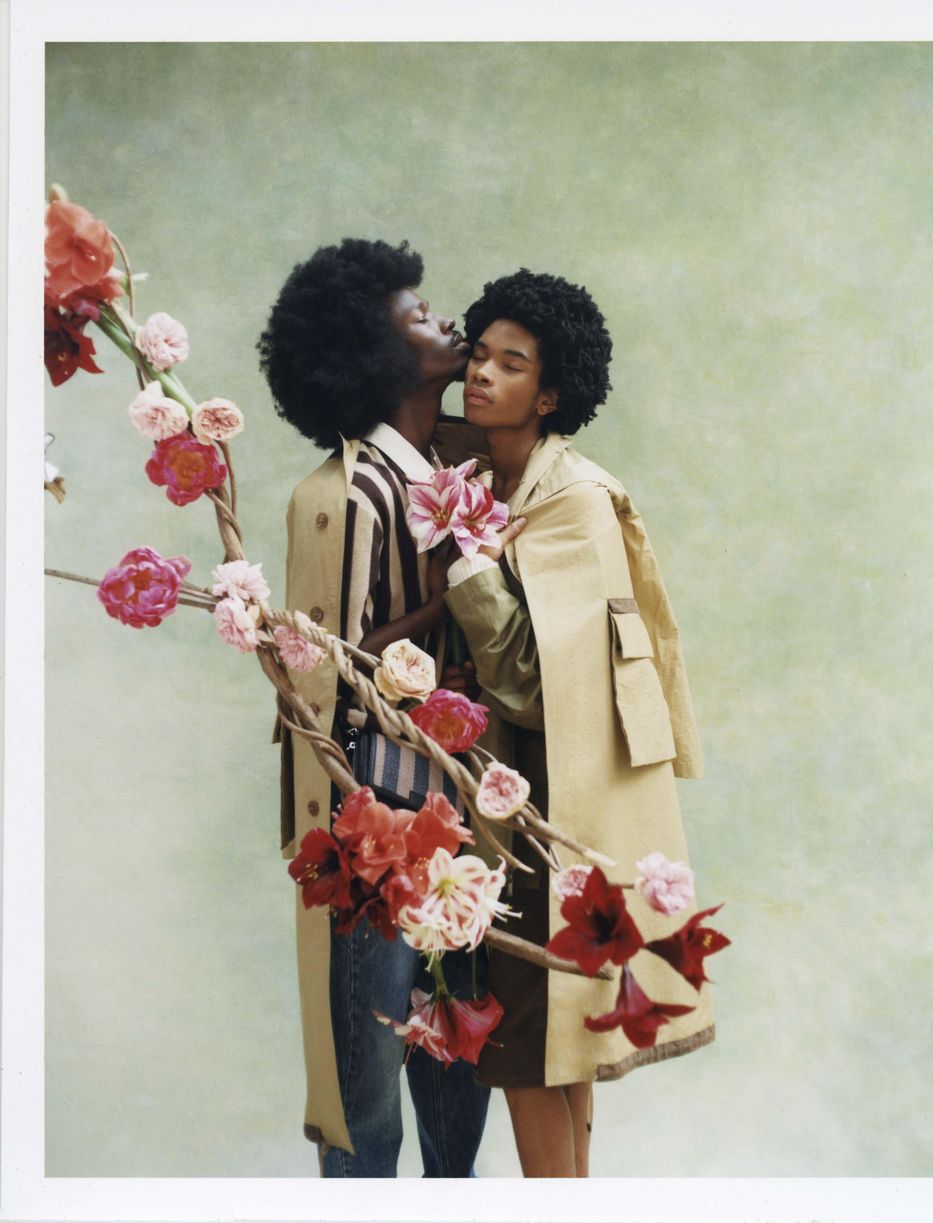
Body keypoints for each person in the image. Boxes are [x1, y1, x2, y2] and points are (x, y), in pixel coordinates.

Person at [442, 269, 715, 1178]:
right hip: (527, 796)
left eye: (509, 365)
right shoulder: (494, 476)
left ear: (549, 395)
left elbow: (525, 685)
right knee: (555, 1029)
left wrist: (466, 563)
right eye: (477, 354)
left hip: (557, 807)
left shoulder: (571, 500)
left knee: (529, 1037)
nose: (480, 373)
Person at [257, 238, 490, 1177]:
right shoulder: (350, 490)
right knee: (370, 1095)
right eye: (417, 312)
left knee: (455, 1071)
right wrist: (466, 587)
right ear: (373, 356)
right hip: (376, 833)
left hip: (461, 824)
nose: (442, 319)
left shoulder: (444, 474)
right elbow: (334, 668)